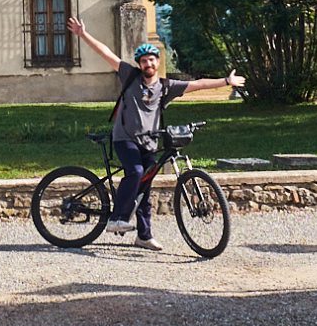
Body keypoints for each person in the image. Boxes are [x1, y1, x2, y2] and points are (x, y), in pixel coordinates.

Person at [66, 17, 243, 251]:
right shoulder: (129, 76)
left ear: (157, 62)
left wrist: (226, 81)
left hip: (149, 142)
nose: (148, 63)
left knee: (145, 189)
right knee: (136, 172)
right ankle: (117, 218)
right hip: (125, 138)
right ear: (139, 64)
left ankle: (144, 235)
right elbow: (106, 53)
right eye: (144, 60)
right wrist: (82, 34)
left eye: (151, 59)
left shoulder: (166, 87)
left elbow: (198, 84)